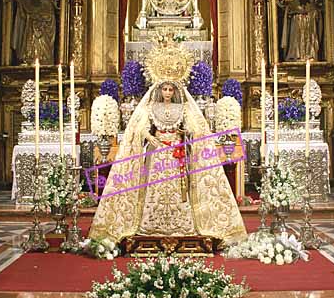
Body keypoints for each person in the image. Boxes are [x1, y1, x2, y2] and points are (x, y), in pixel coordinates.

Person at [88, 78, 247, 246]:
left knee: (179, 186)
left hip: (176, 152)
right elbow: (140, 128)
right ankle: (151, 222)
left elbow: (195, 128)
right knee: (153, 185)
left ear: (175, 91)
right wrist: (150, 137)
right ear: (159, 90)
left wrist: (183, 133)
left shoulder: (183, 108)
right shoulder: (150, 107)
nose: (168, 93)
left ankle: (181, 222)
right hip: (156, 153)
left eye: (171, 89)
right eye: (165, 89)